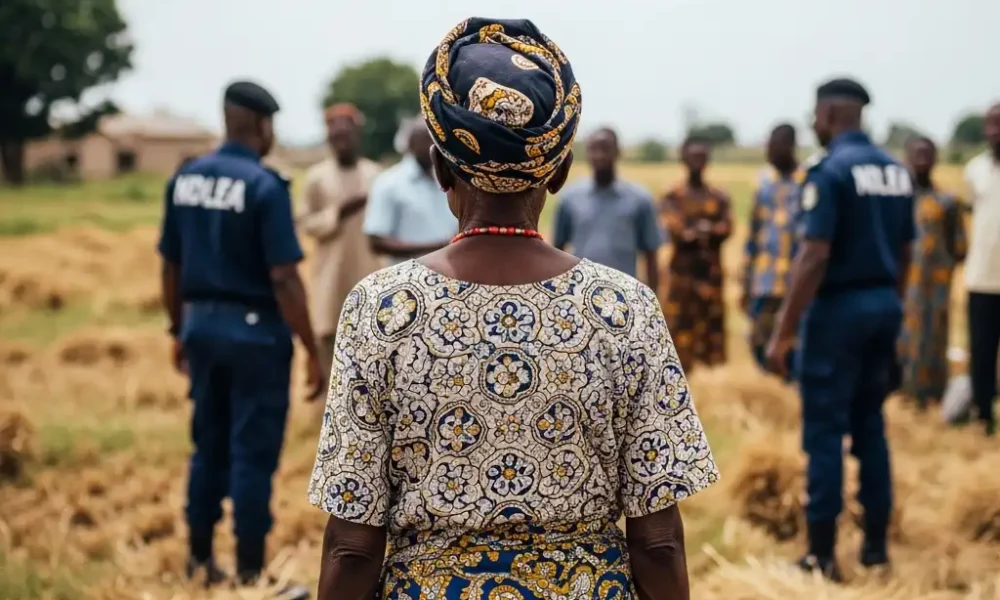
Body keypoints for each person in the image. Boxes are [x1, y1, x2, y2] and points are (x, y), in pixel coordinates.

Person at [307, 18, 719, 600]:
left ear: (440, 167)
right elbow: (658, 542)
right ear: (560, 173)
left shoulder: (381, 309)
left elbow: (351, 547)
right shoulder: (625, 308)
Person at [158, 80, 319, 598]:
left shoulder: (186, 179)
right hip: (255, 335)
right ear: (263, 126)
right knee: (252, 452)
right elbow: (284, 278)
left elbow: (171, 264)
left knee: (208, 445)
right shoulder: (264, 186)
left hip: (200, 324)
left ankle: (200, 560)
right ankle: (252, 574)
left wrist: (177, 327)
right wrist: (312, 349)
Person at [766, 78, 915, 580]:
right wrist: (893, 306)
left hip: (837, 313)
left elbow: (813, 255)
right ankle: (875, 547)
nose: (812, 123)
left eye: (815, 114)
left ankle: (822, 555)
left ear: (830, 113)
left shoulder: (829, 171)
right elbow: (906, 252)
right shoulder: (895, 170)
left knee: (825, 433)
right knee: (871, 425)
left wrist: (783, 331)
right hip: (883, 305)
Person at [297, 103, 382, 379]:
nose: (342, 141)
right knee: (330, 353)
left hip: (369, 274)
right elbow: (305, 223)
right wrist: (338, 213)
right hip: (330, 278)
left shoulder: (375, 176)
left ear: (357, 136)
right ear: (328, 138)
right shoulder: (316, 178)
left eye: (347, 135)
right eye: (336, 136)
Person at [898, 136, 967, 410]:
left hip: (935, 282)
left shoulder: (948, 201)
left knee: (934, 336)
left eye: (928, 155)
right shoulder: (899, 200)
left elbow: (959, 245)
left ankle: (932, 393)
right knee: (903, 336)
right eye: (917, 155)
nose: (922, 160)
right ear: (906, 158)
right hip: (903, 281)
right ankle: (903, 391)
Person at [553, 127, 662, 290]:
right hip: (580, 293)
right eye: (593, 149)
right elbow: (557, 250)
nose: (599, 155)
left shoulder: (639, 199)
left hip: (625, 293)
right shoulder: (570, 198)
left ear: (618, 152)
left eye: (605, 148)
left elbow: (651, 254)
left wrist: (655, 303)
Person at [660, 137, 732, 370]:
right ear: (683, 158)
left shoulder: (719, 197)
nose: (697, 163)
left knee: (711, 333)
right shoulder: (672, 195)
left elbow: (727, 228)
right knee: (678, 335)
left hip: (710, 278)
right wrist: (707, 230)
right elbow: (679, 232)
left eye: (702, 157)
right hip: (681, 281)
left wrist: (698, 230)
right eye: (693, 156)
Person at [742, 124, 801, 375]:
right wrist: (745, 278)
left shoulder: (808, 181)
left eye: (775, 147)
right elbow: (753, 233)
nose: (769, 152)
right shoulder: (763, 182)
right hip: (765, 280)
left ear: (789, 147)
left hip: (796, 282)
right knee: (759, 341)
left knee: (793, 345)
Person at [362, 119, 457, 264]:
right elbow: (377, 242)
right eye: (426, 139)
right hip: (407, 279)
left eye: (436, 139)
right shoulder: (388, 183)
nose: (433, 145)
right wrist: (438, 248)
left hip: (449, 274)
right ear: (410, 144)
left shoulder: (448, 180)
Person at [962, 102, 1000, 436]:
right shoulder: (974, 170)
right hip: (981, 279)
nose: (994, 132)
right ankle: (983, 415)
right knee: (982, 352)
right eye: (990, 125)